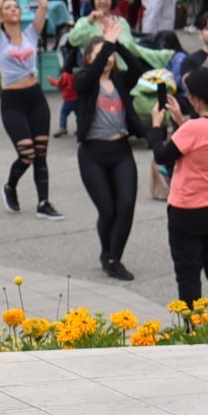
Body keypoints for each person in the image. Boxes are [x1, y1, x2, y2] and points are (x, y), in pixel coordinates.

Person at [151, 64, 208, 304]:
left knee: (188, 274)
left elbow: (162, 156)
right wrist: (182, 120)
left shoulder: (192, 129)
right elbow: (202, 144)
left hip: (188, 210)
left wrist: (155, 125)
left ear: (196, 97)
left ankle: (193, 331)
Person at [71, 21, 146, 281]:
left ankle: (114, 258)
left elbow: (137, 68)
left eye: (109, 53)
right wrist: (107, 44)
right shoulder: (85, 81)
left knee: (125, 206)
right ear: (89, 58)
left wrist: (119, 44)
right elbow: (88, 78)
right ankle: (107, 252)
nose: (107, 57)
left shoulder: (120, 81)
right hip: (92, 154)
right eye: (101, 53)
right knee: (108, 210)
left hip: (121, 151)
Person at [0, 0, 60, 221]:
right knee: (26, 153)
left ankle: (44, 202)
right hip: (13, 101)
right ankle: (10, 186)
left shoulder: (31, 34)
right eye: (9, 8)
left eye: (15, 7)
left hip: (35, 97)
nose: (11, 10)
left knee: (41, 151)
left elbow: (43, 5)